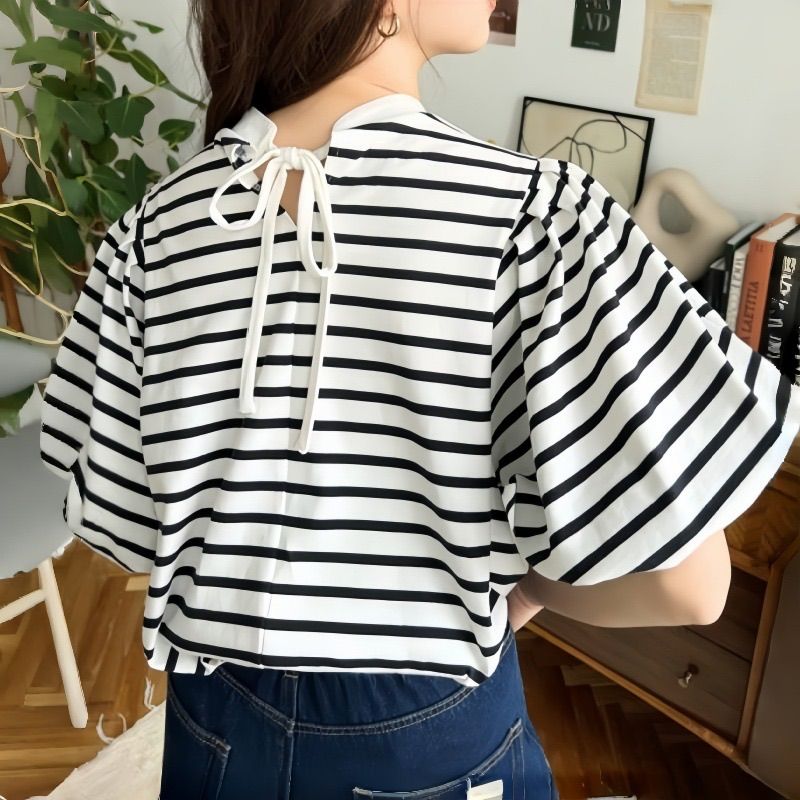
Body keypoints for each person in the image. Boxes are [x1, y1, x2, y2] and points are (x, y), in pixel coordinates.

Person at [38, 0, 800, 797]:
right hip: (427, 729)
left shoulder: (151, 233)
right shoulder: (537, 220)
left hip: (215, 724)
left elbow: (120, 523)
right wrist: (522, 590)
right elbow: (690, 584)